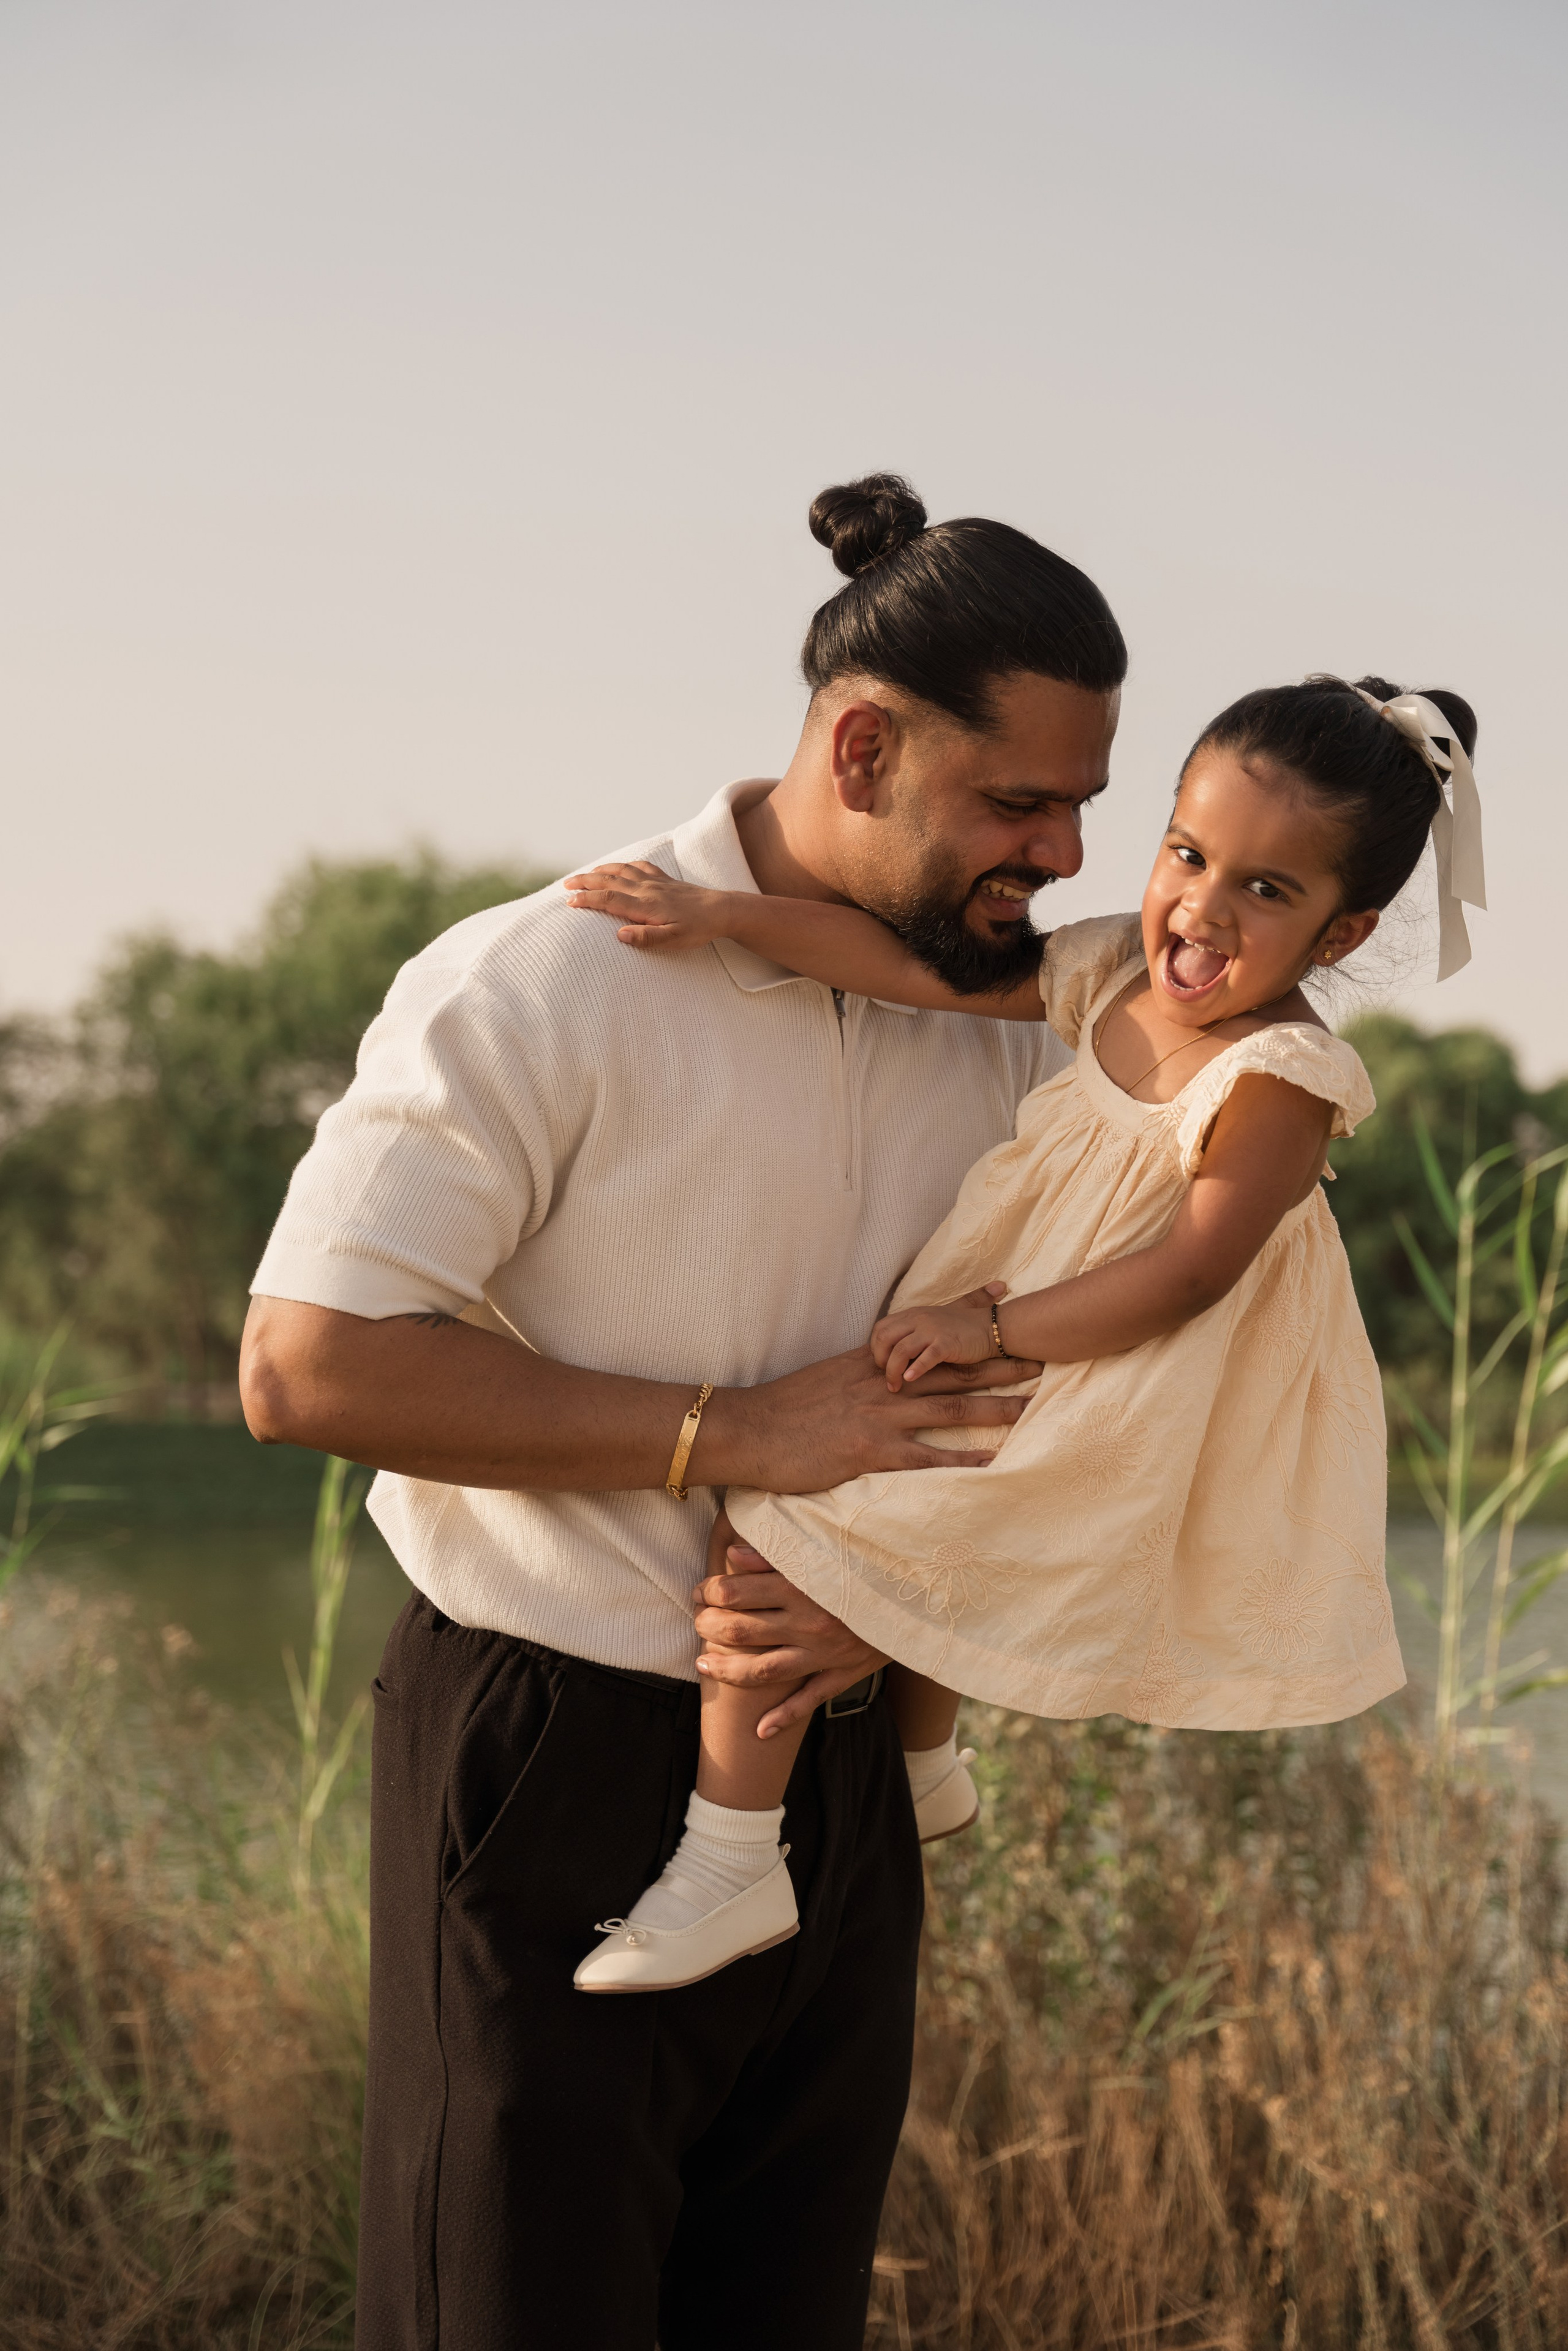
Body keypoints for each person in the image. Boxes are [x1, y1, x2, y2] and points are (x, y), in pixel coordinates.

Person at [238, 473, 1128, 2351]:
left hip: (851, 1765)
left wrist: (912, 1590)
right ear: (864, 742)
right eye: (1019, 800)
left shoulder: (1021, 1032)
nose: (1056, 855)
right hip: (548, 1759)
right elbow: (307, 1363)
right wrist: (743, 1427)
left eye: (1080, 810)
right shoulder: (548, 976)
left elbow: (1102, 1367)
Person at [564, 673, 1485, 1991]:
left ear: (1340, 936)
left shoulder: (1275, 1075)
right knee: (902, 1518)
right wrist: (720, 915)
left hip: (1114, 1367)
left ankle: (730, 1858)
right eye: (1187, 851)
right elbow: (915, 969)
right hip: (1029, 1327)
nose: (1202, 906)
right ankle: (922, 1761)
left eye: (1265, 892)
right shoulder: (1117, 963)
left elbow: (1184, 1274)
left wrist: (989, 1324)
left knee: (786, 1515)